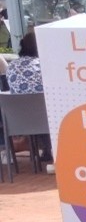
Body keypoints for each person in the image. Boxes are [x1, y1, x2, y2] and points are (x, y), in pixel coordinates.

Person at [5, 30, 52, 164]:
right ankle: (51, 149)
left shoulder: (12, 67)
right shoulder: (45, 66)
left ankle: (41, 149)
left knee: (37, 108)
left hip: (19, 121)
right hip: (45, 118)